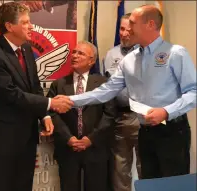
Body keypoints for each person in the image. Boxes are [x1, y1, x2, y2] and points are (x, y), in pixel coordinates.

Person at [57, 5, 196, 179]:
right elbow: (107, 90)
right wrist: (71, 100)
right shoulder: (130, 59)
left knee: (173, 187)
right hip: (145, 132)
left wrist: (166, 112)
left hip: (173, 130)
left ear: (150, 24)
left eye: (132, 23)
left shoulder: (176, 53)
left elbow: (193, 92)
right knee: (150, 186)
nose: (127, 29)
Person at [0, 2, 72, 191]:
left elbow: (35, 86)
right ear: (9, 26)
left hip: (26, 136)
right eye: (25, 22)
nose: (31, 26)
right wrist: (50, 103)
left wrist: (45, 116)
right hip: (2, 139)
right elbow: (10, 93)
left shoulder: (27, 49)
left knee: (22, 188)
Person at [47, 41, 116, 191]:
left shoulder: (103, 84)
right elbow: (51, 114)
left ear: (91, 61)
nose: (75, 56)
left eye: (81, 53)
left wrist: (91, 139)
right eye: (74, 52)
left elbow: (110, 115)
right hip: (68, 148)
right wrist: (69, 138)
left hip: (95, 148)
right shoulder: (59, 85)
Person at [103, 13, 141, 191]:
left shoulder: (148, 52)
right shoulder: (111, 55)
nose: (124, 33)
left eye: (129, 30)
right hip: (121, 117)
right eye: (122, 28)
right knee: (120, 168)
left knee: (146, 167)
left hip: (144, 118)